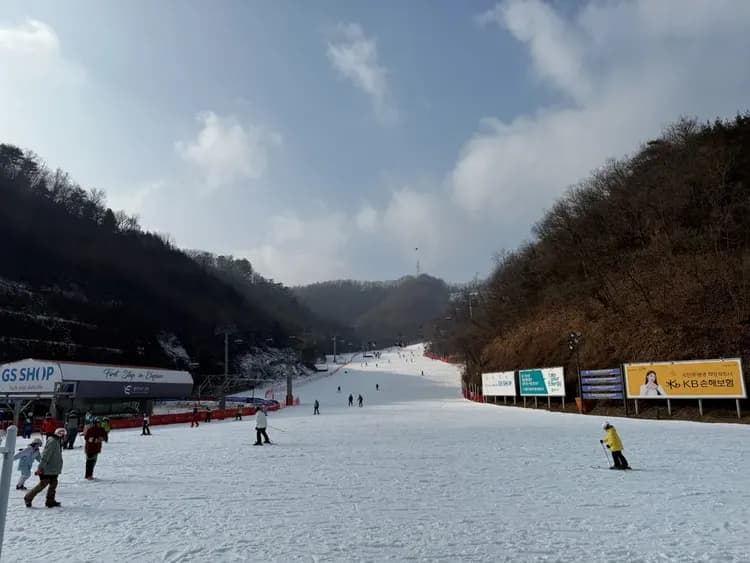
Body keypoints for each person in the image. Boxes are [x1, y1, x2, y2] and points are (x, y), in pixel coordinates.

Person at [24, 427, 65, 508]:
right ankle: (28, 497)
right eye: (63, 435)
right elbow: (46, 455)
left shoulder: (57, 441)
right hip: (48, 468)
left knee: (53, 484)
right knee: (43, 484)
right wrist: (41, 467)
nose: (64, 436)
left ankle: (50, 501)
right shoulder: (52, 442)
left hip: (54, 468)